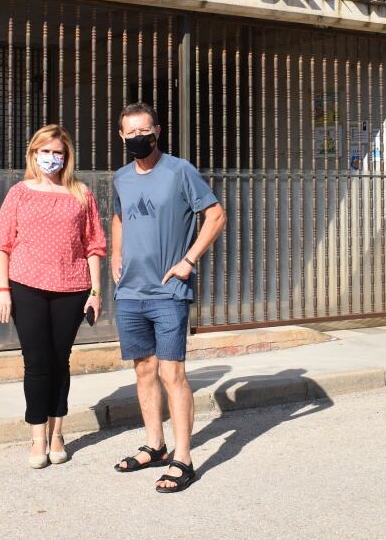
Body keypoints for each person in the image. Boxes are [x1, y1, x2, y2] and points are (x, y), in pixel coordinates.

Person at [110, 102, 226, 493]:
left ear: (157, 131)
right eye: (131, 132)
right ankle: (155, 446)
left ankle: (184, 459)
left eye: (145, 131)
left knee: (171, 373)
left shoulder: (180, 171)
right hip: (130, 291)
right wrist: (115, 253)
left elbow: (215, 215)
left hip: (168, 291)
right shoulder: (121, 178)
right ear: (121, 136)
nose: (138, 137)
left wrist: (188, 260)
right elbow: (119, 216)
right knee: (144, 370)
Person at [0, 124, 106, 469]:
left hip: (72, 288)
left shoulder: (81, 194)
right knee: (37, 363)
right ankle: (38, 437)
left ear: (66, 157)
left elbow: (94, 245)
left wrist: (96, 292)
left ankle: (58, 435)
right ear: (33, 154)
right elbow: (1, 244)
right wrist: (3, 289)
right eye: (45, 151)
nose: (51, 158)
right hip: (26, 287)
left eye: (57, 152)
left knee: (60, 361)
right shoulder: (19, 193)